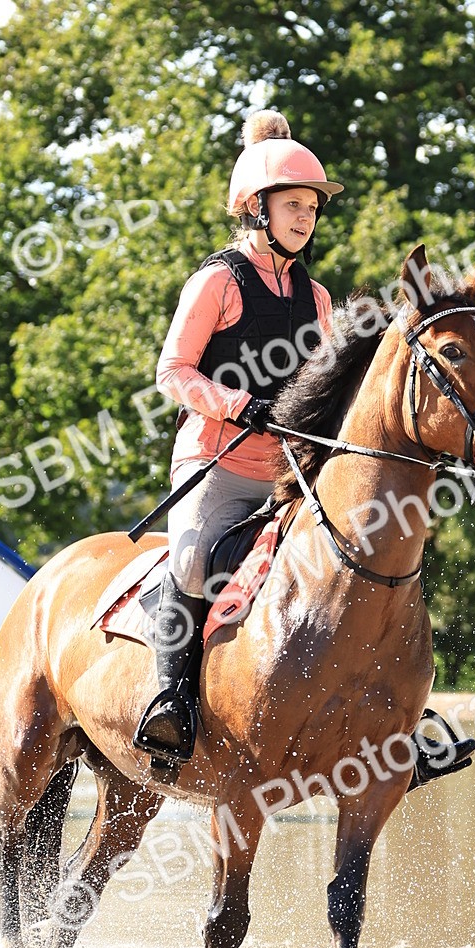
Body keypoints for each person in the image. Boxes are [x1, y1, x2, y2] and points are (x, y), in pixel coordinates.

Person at [134, 110, 343, 767]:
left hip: (289, 473)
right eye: (293, 204)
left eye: (312, 207)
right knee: (194, 561)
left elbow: (327, 389)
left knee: (357, 556)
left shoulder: (319, 298)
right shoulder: (217, 281)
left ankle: (379, 714)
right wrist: (235, 403)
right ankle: (169, 702)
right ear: (257, 208)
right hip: (217, 463)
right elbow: (172, 371)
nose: (306, 217)